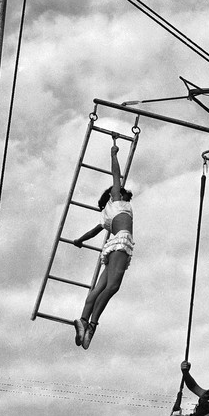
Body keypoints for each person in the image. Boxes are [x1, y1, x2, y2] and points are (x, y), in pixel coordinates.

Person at [71, 143, 133, 350]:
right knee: (113, 287)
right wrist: (114, 154)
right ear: (114, 195)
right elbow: (117, 175)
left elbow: (93, 232)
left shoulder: (105, 215)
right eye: (123, 193)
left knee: (99, 288)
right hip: (121, 242)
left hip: (112, 245)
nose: (126, 195)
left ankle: (83, 319)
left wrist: (79, 241)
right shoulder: (116, 200)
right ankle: (91, 325)